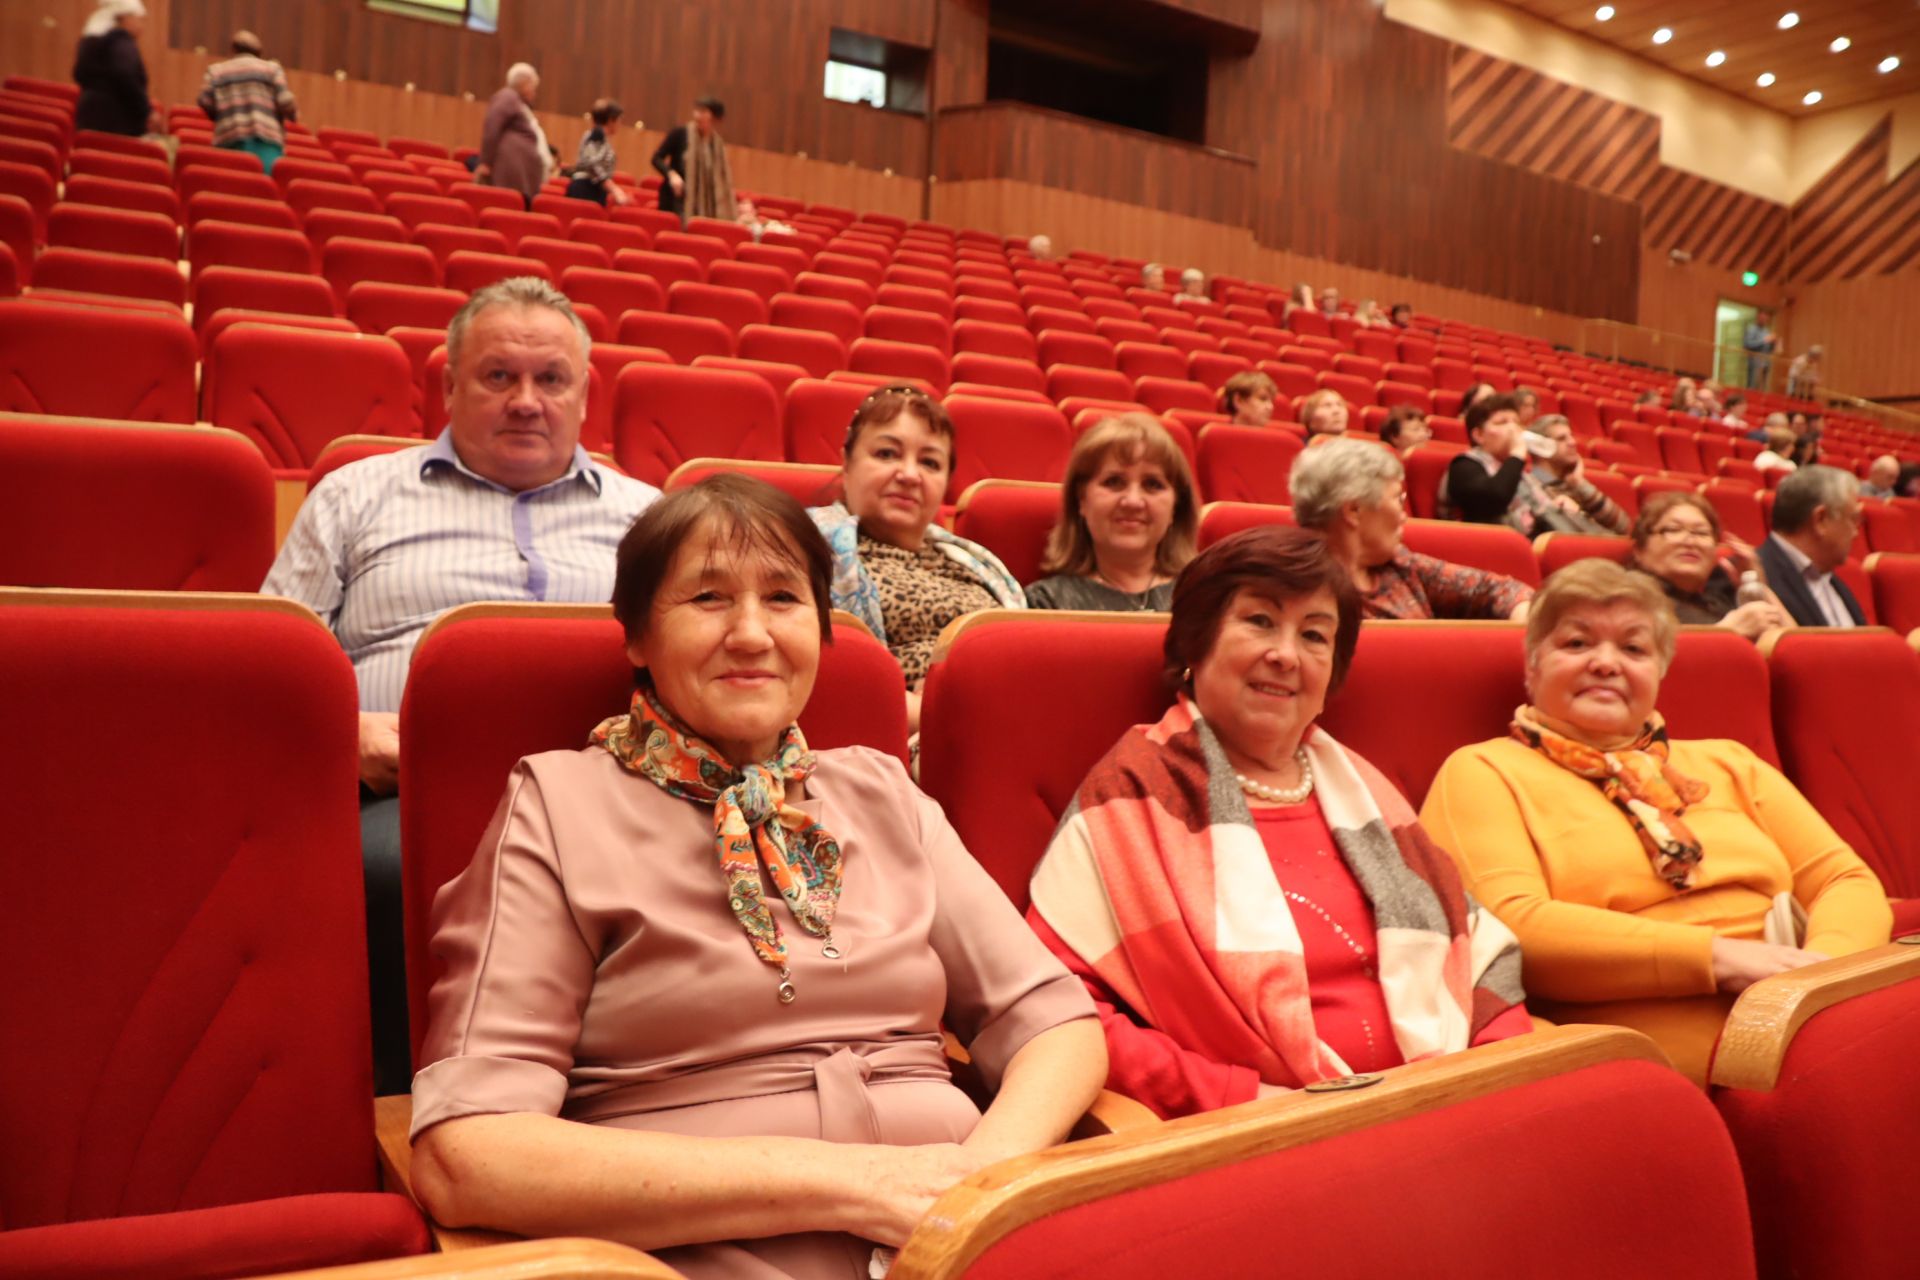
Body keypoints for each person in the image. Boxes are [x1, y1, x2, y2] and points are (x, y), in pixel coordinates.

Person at [408, 476, 1105, 1274]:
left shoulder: (883, 790)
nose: (750, 634)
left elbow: (1055, 1023)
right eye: (708, 598)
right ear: (636, 635)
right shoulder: (556, 804)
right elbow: (469, 1151)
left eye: (782, 598)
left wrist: (978, 1190)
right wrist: (861, 1186)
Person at [263, 278, 661, 1093]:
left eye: (550, 380)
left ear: (584, 395)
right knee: (385, 880)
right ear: (447, 386)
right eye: (497, 377)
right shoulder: (357, 496)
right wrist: (348, 736)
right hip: (405, 795)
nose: (526, 401)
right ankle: (397, 1111)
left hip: (619, 792)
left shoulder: (648, 518)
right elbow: (266, 664)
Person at [1026, 526, 1531, 1119]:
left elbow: (1477, 951)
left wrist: (1498, 1073)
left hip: (1446, 1101)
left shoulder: (1366, 794)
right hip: (1256, 1134)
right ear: (1195, 643)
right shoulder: (1131, 796)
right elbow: (1063, 1006)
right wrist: (1239, 1100)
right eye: (1260, 621)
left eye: (1314, 634)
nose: (1286, 654)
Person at [1421, 559, 1889, 1084]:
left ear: (1660, 670)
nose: (1605, 663)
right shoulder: (1482, 771)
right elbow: (1513, 928)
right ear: (1532, 667)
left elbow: (1844, 880)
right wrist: (1720, 959)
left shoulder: (1729, 762)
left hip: (1811, 1017)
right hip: (1653, 1068)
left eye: (1633, 648)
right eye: (1576, 644)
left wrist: (1814, 983)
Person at [809, 388, 1023, 731]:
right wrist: (930, 710)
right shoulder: (806, 547)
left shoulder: (972, 560)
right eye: (887, 453)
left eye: (929, 462)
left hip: (1005, 717)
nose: (910, 474)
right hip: (898, 742)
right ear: (846, 464)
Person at [1291, 439, 1533, 621]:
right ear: (1354, 511)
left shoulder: (1398, 565)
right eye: (1398, 498)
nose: (1404, 514)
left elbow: (1496, 589)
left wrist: (1524, 617)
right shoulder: (1295, 586)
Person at [1026, 415, 1197, 612]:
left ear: (1176, 506)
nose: (1133, 501)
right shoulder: (1045, 604)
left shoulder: (1206, 599)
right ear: (1081, 500)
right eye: (1114, 482)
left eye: (1152, 484)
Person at [1627, 493, 1789, 640]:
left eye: (1702, 533)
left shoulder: (1716, 600)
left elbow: (1793, 646)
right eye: (1673, 530)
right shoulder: (1627, 598)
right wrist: (1727, 632)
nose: (1690, 541)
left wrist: (1757, 586)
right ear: (1640, 549)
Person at [1757, 466, 1866, 629]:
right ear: (1820, 520)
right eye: (1852, 519)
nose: (1855, 532)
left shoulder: (1831, 579)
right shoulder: (1749, 577)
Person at [196, 30, 297, 174]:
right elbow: (285, 102)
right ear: (259, 52)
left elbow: (204, 100)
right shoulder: (272, 69)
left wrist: (221, 113)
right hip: (265, 143)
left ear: (233, 49)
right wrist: (293, 116)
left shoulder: (216, 71)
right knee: (260, 190)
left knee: (232, 188)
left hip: (228, 140)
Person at [1528, 415, 1631, 536]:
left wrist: (1579, 483)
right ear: (1540, 447)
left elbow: (1623, 527)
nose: (1572, 442)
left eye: (1570, 436)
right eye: (1561, 439)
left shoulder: (1572, 484)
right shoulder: (1532, 488)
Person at [1443, 392, 1530, 525]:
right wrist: (1517, 454)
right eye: (1502, 422)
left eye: (1517, 422)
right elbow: (1493, 499)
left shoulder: (1517, 469)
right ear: (1479, 435)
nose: (1514, 429)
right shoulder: (1463, 465)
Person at [73, 0, 154, 138]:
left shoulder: (91, 40)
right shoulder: (121, 42)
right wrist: (147, 111)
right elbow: (127, 78)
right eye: (139, 19)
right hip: (117, 123)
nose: (141, 26)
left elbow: (78, 73)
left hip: (89, 117)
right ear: (124, 17)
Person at [651, 96, 733, 222]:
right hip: (675, 202)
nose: (697, 115)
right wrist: (671, 174)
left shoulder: (717, 145)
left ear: (714, 118)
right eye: (697, 111)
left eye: (703, 112)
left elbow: (721, 180)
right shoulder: (680, 134)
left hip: (706, 208)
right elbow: (656, 158)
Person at [478, 62, 546, 208]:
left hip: (517, 175)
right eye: (533, 86)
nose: (535, 92)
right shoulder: (507, 97)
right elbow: (492, 127)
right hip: (509, 174)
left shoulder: (514, 101)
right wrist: (486, 162)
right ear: (524, 83)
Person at [564, 98, 632, 206]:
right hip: (586, 190)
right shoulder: (597, 134)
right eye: (619, 120)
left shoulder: (599, 136)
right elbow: (593, 164)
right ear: (610, 120)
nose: (620, 124)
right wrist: (614, 189)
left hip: (591, 189)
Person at [1743, 309, 1778, 390]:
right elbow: (1748, 344)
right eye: (1762, 317)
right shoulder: (1751, 329)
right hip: (1755, 360)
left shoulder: (1766, 331)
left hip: (1765, 361)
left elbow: (1769, 349)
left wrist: (1773, 343)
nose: (1764, 320)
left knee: (1763, 386)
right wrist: (1764, 340)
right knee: (1753, 384)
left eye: (1766, 318)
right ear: (1758, 317)